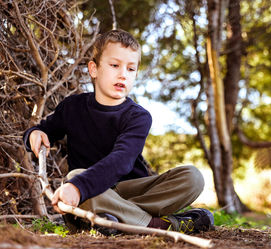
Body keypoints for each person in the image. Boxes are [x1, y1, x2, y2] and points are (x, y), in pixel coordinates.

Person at [23, 29, 214, 235]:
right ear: (94, 69)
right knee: (77, 176)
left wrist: (78, 187)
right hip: (93, 194)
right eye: (115, 65)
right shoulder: (72, 107)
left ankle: (114, 220)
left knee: (193, 177)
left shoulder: (138, 117)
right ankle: (161, 225)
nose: (123, 74)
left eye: (131, 69)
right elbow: (43, 130)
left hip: (131, 192)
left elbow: (122, 160)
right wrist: (34, 133)